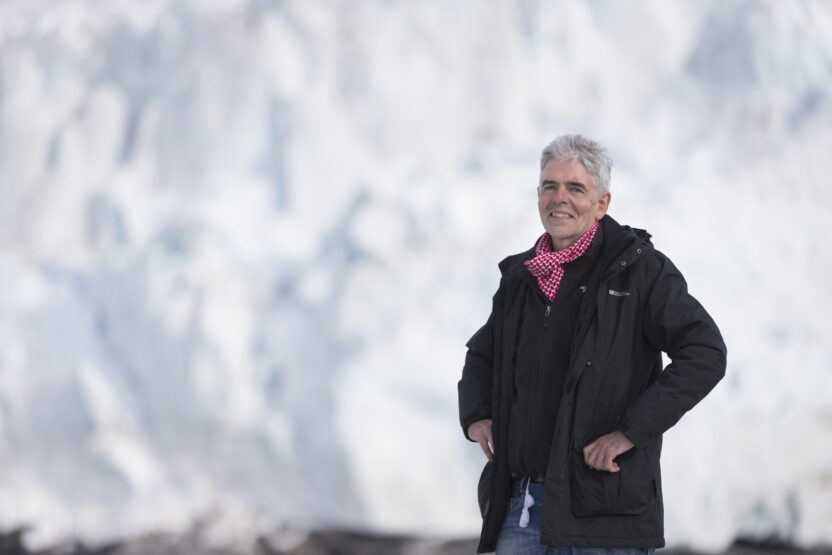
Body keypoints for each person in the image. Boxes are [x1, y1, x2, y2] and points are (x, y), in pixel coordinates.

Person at [457, 135, 727, 554]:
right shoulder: (520, 278)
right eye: (549, 186)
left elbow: (705, 352)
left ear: (602, 203)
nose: (558, 198)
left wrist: (630, 431)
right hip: (521, 507)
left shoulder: (639, 271)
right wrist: (477, 415)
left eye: (575, 188)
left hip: (604, 519)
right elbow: (482, 354)